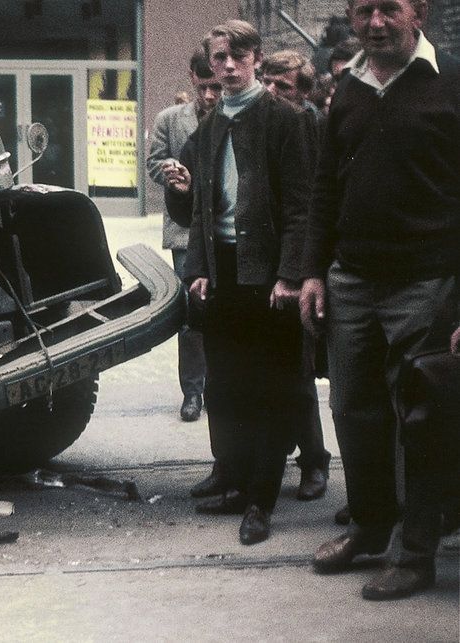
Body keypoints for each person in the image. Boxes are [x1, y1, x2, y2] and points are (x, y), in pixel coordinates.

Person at [300, 0, 460, 600]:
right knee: (353, 409)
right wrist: (312, 271)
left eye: (388, 9)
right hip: (352, 282)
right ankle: (370, 527)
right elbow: (324, 189)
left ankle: (416, 554)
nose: (375, 22)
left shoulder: (451, 84)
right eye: (363, 10)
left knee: (420, 420)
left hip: (427, 283)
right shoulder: (348, 89)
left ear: (416, 12)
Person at [167, 19, 315, 545]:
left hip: (268, 275)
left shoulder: (283, 120)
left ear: (254, 58)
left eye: (237, 56)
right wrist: (200, 267)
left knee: (268, 388)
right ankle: (231, 479)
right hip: (223, 273)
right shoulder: (207, 127)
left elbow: (302, 207)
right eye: (219, 58)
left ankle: (260, 500)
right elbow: (200, 214)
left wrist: (291, 274)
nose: (227, 67)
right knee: (225, 386)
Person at [259, 49, 333, 502]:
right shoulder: (264, 122)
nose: (270, 92)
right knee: (276, 369)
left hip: (300, 268)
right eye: (266, 82)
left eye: (282, 87)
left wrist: (300, 271)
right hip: (270, 263)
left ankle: (314, 462)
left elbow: (309, 207)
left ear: (303, 94)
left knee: (297, 372)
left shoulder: (308, 126)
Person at [146, 49, 220, 424]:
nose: (210, 96)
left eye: (217, 88)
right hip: (185, 233)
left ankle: (220, 387)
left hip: (224, 229)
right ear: (192, 78)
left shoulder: (234, 116)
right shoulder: (169, 120)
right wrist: (170, 173)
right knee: (192, 313)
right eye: (204, 87)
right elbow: (152, 162)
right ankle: (192, 392)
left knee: (224, 310)